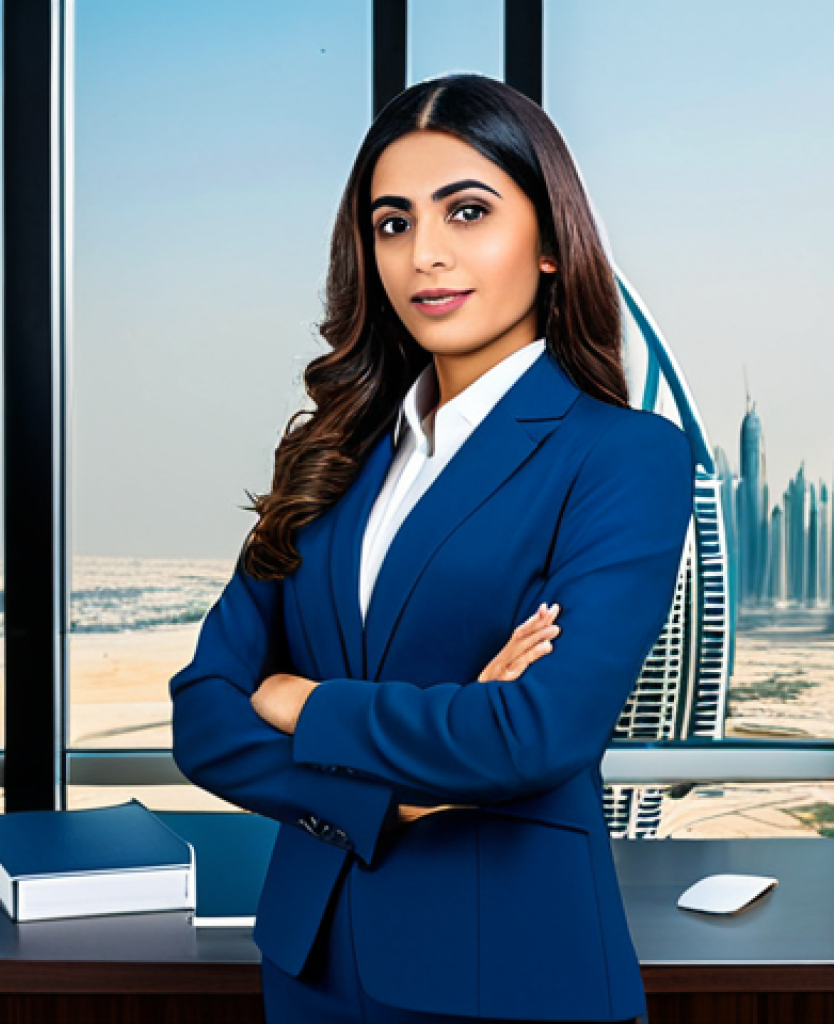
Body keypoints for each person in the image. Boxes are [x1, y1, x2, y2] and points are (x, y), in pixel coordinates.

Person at [169, 72, 692, 1023]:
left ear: (547, 241)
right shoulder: (329, 453)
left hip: (514, 975)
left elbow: (535, 733)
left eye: (468, 212)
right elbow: (204, 714)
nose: (427, 256)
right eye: (393, 223)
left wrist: (305, 701)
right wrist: (390, 800)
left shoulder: (621, 455)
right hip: (311, 963)